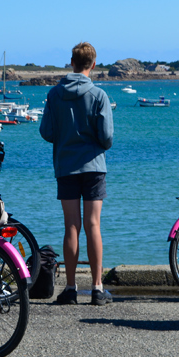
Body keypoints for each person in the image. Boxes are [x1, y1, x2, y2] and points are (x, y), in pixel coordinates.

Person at [39, 42, 115, 306]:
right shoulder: (99, 95)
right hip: (93, 167)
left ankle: (70, 288)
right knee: (93, 225)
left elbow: (46, 132)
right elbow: (106, 139)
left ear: (71, 61)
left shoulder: (54, 94)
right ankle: (96, 288)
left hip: (66, 167)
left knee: (71, 226)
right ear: (93, 65)